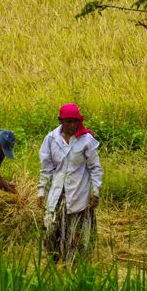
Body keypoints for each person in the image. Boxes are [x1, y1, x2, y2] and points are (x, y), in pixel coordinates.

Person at [38, 103, 103, 264]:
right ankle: (53, 263)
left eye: (75, 121)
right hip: (57, 192)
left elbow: (95, 168)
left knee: (76, 233)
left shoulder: (86, 140)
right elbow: (46, 169)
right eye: (68, 122)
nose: (72, 125)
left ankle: (73, 264)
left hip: (79, 193)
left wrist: (95, 191)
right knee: (51, 230)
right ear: (61, 121)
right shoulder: (51, 139)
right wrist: (41, 192)